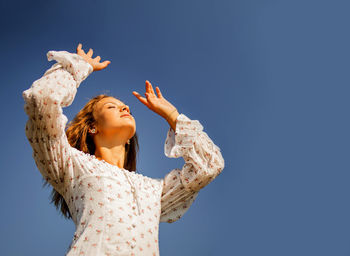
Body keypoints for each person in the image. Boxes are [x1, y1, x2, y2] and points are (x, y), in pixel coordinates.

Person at [22, 43, 225, 256]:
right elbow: (43, 99)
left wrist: (172, 115)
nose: (125, 108)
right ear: (92, 127)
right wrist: (79, 66)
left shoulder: (154, 191)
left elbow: (210, 166)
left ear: (129, 140)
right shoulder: (73, 165)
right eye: (111, 107)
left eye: (125, 107)